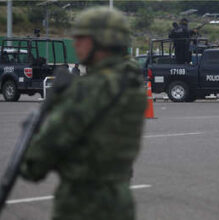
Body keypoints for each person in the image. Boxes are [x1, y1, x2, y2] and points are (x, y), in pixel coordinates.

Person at [20, 7, 146, 220]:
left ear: (102, 41)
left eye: (82, 38)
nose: (75, 43)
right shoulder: (131, 83)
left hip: (83, 205)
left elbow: (35, 164)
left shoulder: (89, 89)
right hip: (119, 202)